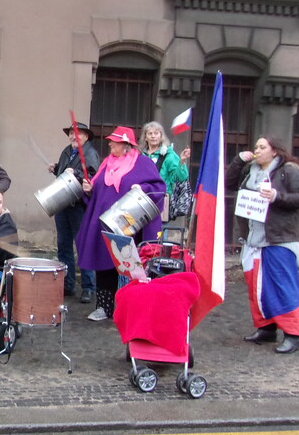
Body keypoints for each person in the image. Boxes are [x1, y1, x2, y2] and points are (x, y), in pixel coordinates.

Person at [226, 135, 299, 354]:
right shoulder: (250, 170)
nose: (257, 150)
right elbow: (229, 184)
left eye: (262, 147)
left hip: (278, 238)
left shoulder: (288, 171)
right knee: (257, 287)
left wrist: (277, 196)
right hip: (254, 238)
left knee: (282, 286)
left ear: (275, 151)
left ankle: (293, 334)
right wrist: (238, 161)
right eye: (256, 146)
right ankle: (266, 328)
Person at [75, 126, 165, 322]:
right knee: (104, 266)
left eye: (114, 142)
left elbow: (158, 188)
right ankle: (104, 308)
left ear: (126, 145)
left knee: (133, 268)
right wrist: (89, 189)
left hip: (132, 228)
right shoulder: (106, 163)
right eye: (111, 141)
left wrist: (141, 188)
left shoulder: (142, 163)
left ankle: (133, 308)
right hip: (106, 225)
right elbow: (98, 192)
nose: (110, 144)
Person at [48, 121, 101, 302]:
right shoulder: (66, 152)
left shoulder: (90, 153)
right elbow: (63, 174)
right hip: (62, 204)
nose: (73, 136)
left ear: (85, 136)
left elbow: (93, 177)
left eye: (77, 134)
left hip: (79, 206)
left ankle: (88, 287)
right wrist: (56, 168)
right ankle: (68, 284)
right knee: (63, 247)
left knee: (83, 246)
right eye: (71, 133)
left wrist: (77, 173)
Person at [141, 121, 191, 219]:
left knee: (159, 233)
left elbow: (179, 178)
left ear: (161, 136)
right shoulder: (140, 155)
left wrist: (182, 161)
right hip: (143, 199)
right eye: (150, 133)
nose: (153, 136)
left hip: (162, 200)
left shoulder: (169, 155)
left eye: (156, 133)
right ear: (145, 137)